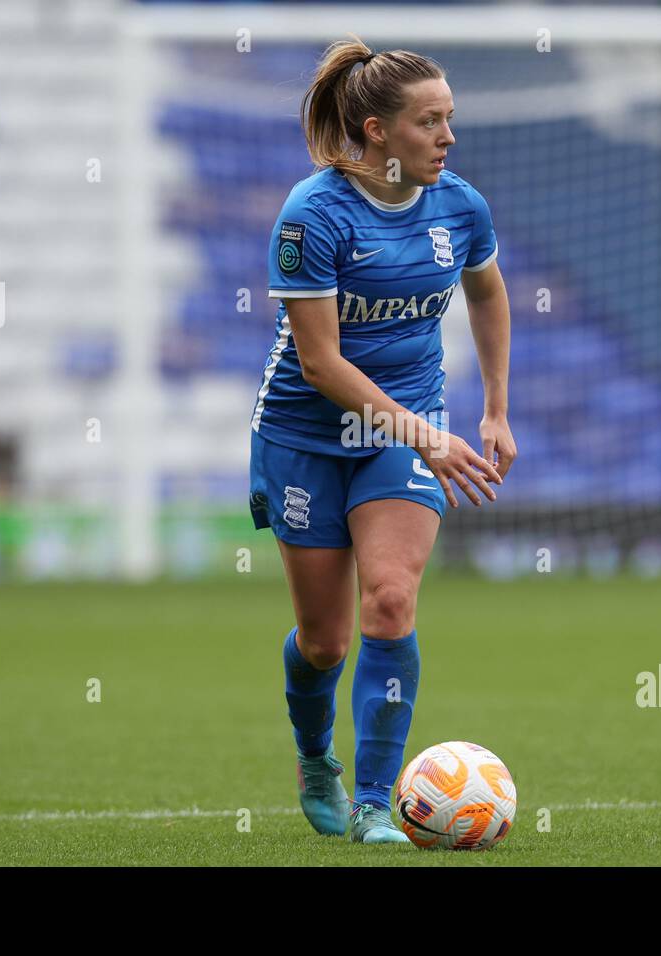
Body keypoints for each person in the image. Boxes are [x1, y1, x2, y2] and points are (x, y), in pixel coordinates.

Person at [248, 37, 517, 844]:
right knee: (326, 641)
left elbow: (489, 294)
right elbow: (321, 362)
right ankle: (313, 754)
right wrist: (429, 438)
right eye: (429, 123)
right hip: (304, 433)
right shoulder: (312, 217)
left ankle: (375, 801)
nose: (448, 137)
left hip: (400, 432)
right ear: (376, 131)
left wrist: (495, 409)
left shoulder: (459, 206)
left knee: (392, 599)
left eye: (451, 120)